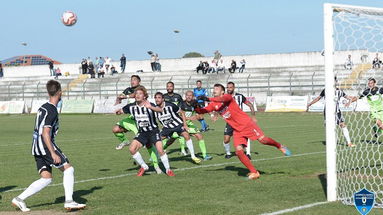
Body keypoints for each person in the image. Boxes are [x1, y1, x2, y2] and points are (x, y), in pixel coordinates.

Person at [12, 80, 86, 212]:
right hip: (45, 146)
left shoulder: (42, 107)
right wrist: (52, 152)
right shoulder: (52, 110)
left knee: (46, 178)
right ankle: (69, 201)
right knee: (69, 170)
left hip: (36, 147)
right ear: (60, 92)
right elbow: (45, 133)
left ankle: (19, 199)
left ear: (48, 92)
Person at [194, 84, 291, 180]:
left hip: (246, 123)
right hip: (237, 129)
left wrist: (207, 98)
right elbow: (202, 111)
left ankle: (279, 146)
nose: (214, 90)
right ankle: (254, 172)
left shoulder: (227, 97)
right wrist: (195, 106)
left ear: (222, 91)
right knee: (239, 151)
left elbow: (221, 99)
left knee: (263, 140)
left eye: (216, 88)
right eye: (213, 89)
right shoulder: (213, 104)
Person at [115, 86, 175, 176]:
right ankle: (144, 166)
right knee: (132, 149)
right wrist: (118, 111)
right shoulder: (131, 107)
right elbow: (121, 110)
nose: (138, 95)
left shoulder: (149, 104)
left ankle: (168, 170)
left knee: (160, 150)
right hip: (142, 133)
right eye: (136, 94)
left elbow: (160, 110)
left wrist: (151, 107)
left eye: (140, 94)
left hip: (153, 132)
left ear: (144, 96)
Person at [112, 75, 161, 173]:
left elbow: (133, 95)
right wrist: (119, 99)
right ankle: (125, 141)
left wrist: (125, 96)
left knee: (147, 144)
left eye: (134, 80)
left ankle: (156, 164)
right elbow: (120, 96)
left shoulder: (141, 90)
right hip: (132, 117)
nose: (132, 82)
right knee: (116, 129)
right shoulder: (128, 89)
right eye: (131, 80)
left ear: (139, 81)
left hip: (142, 120)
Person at [154, 92, 201, 164]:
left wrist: (185, 125)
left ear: (163, 99)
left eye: (159, 97)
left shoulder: (170, 105)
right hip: (167, 128)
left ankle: (193, 156)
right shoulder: (154, 109)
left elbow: (182, 112)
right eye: (156, 98)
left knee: (186, 135)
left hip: (178, 125)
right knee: (156, 141)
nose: (157, 99)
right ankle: (155, 158)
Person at [307, 79, 355, 147]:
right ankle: (331, 142)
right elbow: (318, 98)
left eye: (335, 81)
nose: (335, 82)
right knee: (329, 127)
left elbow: (348, 97)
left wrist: (350, 101)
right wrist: (310, 103)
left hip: (337, 112)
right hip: (328, 112)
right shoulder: (325, 90)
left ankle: (349, 143)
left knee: (343, 125)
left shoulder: (339, 91)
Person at [222, 82, 256, 159]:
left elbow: (250, 104)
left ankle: (248, 153)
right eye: (227, 87)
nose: (229, 89)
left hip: (241, 121)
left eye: (230, 87)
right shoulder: (224, 97)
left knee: (246, 136)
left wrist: (253, 116)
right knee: (226, 139)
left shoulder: (239, 96)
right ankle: (228, 153)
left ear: (234, 88)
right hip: (230, 121)